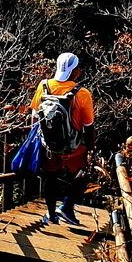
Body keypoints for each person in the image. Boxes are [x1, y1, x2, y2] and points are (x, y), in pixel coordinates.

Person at [30, 51, 96, 227]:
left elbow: (35, 116)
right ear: (74, 71)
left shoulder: (43, 86)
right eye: (78, 68)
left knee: (51, 179)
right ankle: (66, 207)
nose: (79, 71)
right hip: (74, 146)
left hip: (49, 145)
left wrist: (39, 140)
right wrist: (90, 147)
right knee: (81, 176)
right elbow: (88, 125)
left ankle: (51, 215)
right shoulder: (82, 93)